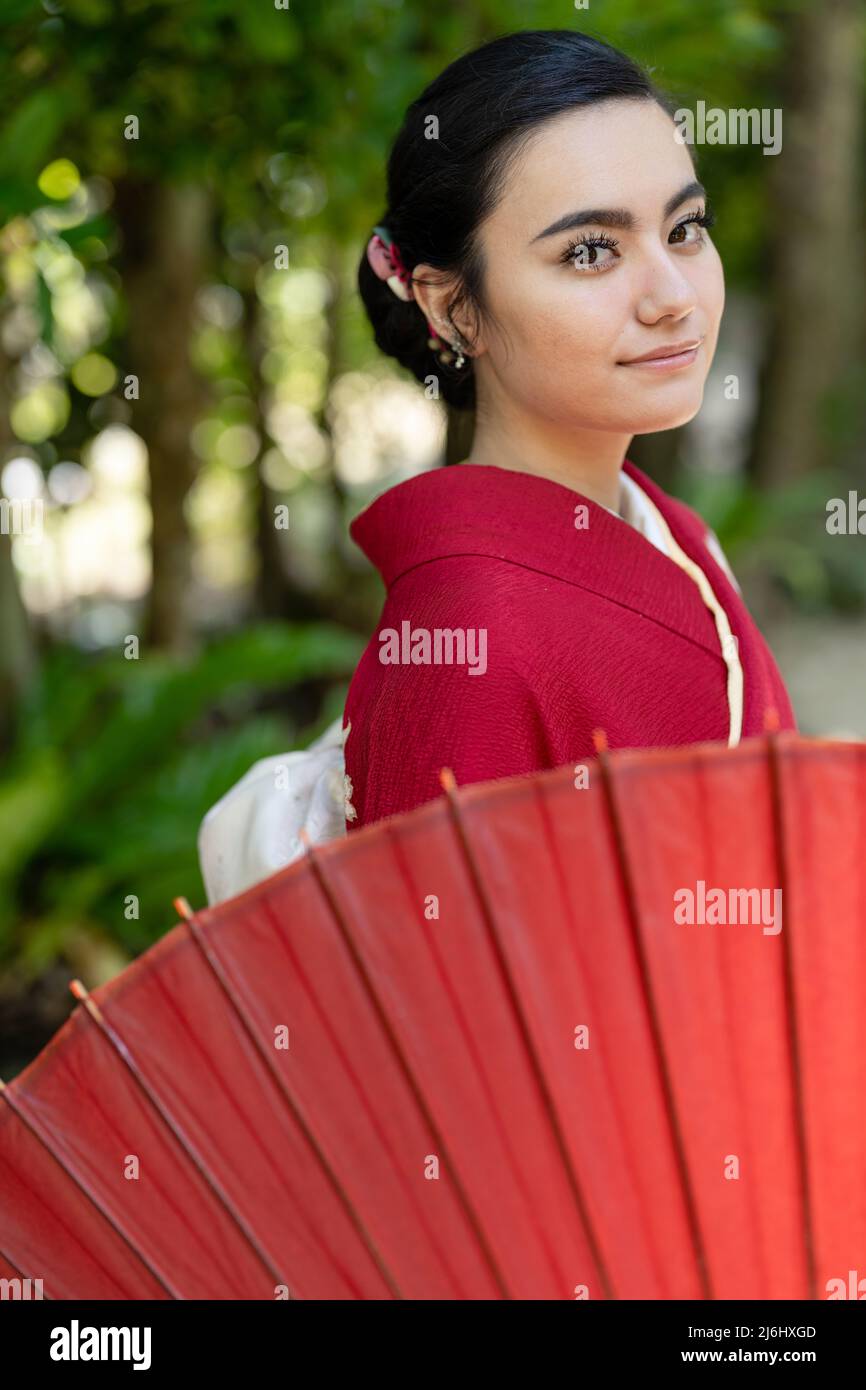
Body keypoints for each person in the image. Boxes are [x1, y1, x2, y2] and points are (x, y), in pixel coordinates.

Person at [198, 28, 796, 906]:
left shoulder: (672, 532)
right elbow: (452, 1027)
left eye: (685, 228)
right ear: (453, 304)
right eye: (591, 250)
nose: (673, 295)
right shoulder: (468, 637)